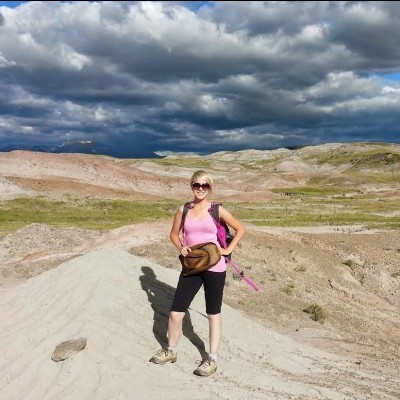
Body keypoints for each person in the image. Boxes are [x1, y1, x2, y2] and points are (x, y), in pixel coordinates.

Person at [149, 170, 245, 377]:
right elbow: (173, 234)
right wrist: (180, 246)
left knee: (213, 314)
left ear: (210, 188)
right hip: (191, 267)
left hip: (215, 268)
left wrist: (228, 249)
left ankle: (211, 358)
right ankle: (171, 350)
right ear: (191, 186)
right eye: (196, 185)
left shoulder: (217, 210)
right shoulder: (183, 209)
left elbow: (240, 229)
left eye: (205, 185)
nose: (200, 189)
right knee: (176, 313)